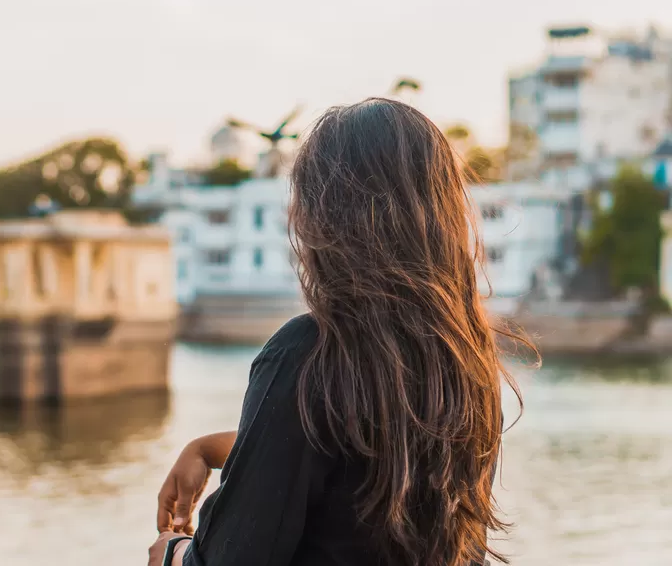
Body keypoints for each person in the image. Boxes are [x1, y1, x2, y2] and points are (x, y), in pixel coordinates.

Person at [147, 99, 533, 566]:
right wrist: (208, 449)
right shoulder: (465, 360)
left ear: (325, 219)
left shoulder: (306, 355)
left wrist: (172, 552)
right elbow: (364, 455)